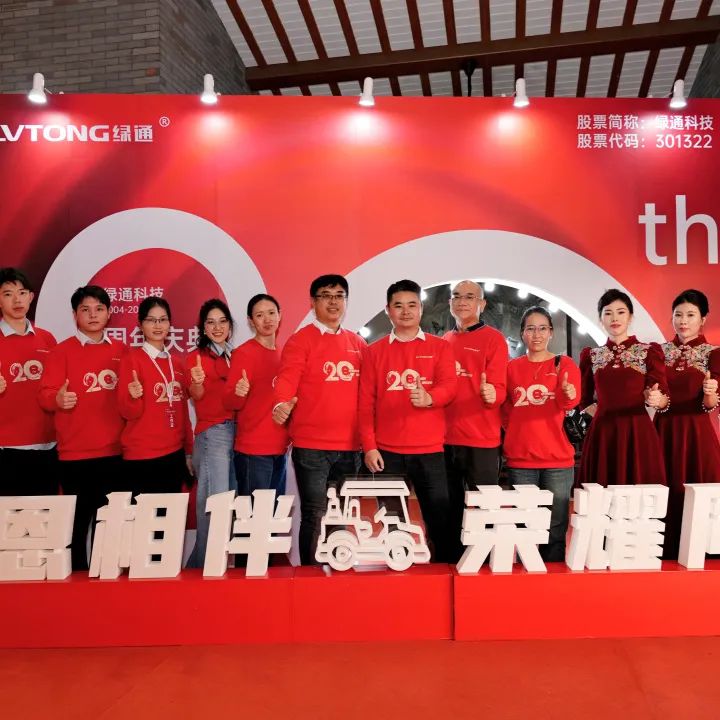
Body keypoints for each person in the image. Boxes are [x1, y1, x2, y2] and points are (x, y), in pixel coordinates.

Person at [360, 279, 458, 562]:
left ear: (421, 309)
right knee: (392, 522)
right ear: (388, 310)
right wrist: (369, 447)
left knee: (439, 521)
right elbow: (365, 404)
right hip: (387, 453)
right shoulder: (373, 351)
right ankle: (398, 572)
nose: (405, 311)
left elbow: (450, 387)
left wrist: (430, 398)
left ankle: (442, 573)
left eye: (412, 305)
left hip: (430, 451)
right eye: (398, 305)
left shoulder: (440, 347)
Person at [273, 274, 365, 565]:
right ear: (313, 302)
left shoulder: (357, 343)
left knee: (341, 514)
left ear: (346, 301)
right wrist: (281, 403)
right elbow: (287, 379)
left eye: (339, 296)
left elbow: (369, 393)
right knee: (315, 513)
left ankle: (337, 569)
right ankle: (309, 578)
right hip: (312, 447)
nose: (333, 302)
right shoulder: (301, 341)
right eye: (326, 296)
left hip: (350, 447)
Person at [37, 286, 127, 570]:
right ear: (75, 314)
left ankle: (106, 580)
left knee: (109, 525)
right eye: (85, 310)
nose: (93, 315)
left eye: (99, 309)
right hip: (75, 455)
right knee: (77, 526)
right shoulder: (60, 352)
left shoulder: (122, 351)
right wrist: (58, 399)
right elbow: (44, 395)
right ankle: (75, 581)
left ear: (109, 313)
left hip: (115, 452)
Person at [503, 306, 581, 561]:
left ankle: (553, 578)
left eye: (542, 328)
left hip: (557, 461)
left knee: (555, 527)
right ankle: (525, 575)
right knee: (524, 526)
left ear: (551, 333)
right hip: (521, 460)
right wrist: (517, 432)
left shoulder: (564, 364)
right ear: (522, 333)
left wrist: (568, 394)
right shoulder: (511, 368)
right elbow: (505, 410)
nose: (536, 334)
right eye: (530, 329)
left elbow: (571, 401)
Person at [578, 289, 669, 487]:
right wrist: (600, 414)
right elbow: (583, 399)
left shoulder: (648, 352)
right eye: (608, 313)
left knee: (640, 496)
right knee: (600, 494)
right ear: (601, 319)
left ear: (630, 317)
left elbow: (663, 396)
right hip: (603, 435)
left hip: (637, 431)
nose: (614, 318)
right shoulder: (592, 355)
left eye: (621, 312)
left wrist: (655, 398)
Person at [443, 280, 507, 551]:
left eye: (470, 297)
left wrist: (493, 394)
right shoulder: (444, 340)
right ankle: (449, 559)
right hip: (445, 439)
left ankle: (486, 558)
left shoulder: (494, 339)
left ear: (482, 304)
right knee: (449, 506)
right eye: (456, 296)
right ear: (450, 303)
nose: (462, 301)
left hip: (481, 438)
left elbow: (500, 389)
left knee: (484, 507)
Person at [656, 289, 720, 558]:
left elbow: (710, 405)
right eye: (678, 315)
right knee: (663, 487)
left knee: (699, 488)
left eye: (690, 315)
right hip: (663, 431)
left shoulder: (714, 353)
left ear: (703, 319)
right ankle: (663, 548)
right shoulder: (658, 352)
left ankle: (701, 550)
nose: (683, 321)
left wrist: (710, 392)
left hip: (696, 433)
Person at [117, 297, 193, 495]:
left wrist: (189, 451)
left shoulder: (177, 363)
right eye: (151, 320)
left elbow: (183, 412)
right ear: (140, 325)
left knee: (171, 514)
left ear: (169, 324)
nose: (157, 325)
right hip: (142, 456)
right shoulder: (131, 360)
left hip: (174, 454)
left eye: (163, 319)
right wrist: (133, 397)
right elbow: (127, 413)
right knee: (144, 515)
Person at [186, 299, 237, 569]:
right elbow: (196, 394)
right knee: (214, 506)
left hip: (237, 434)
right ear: (203, 328)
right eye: (210, 322)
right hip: (213, 434)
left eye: (222, 321)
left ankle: (207, 568)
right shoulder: (196, 358)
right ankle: (203, 570)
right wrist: (196, 383)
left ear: (230, 326)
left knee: (228, 506)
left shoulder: (235, 356)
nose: (217, 327)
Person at [0, 267, 58, 496]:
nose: (17, 300)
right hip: (7, 449)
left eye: (22, 293)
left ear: (31, 297)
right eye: (8, 294)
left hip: (48, 446)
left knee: (48, 515)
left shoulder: (47, 338)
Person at [225, 294, 289, 498]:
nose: (267, 319)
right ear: (251, 321)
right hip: (253, 451)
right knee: (253, 515)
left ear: (280, 315)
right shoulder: (243, 353)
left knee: (274, 513)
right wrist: (238, 392)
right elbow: (230, 402)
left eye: (271, 313)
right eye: (260, 315)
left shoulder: (284, 354)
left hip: (280, 448)